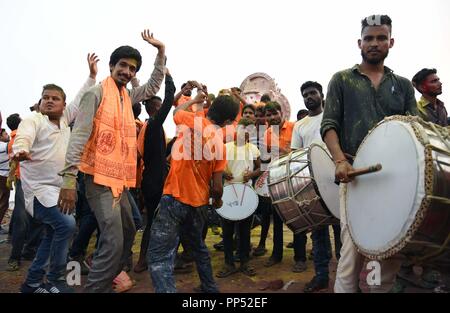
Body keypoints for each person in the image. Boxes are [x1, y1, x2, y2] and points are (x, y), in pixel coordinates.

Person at [58, 30, 166, 293]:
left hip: (119, 180)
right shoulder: (95, 94)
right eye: (123, 66)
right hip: (96, 178)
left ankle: (107, 271)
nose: (127, 72)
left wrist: (161, 52)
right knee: (114, 239)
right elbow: (79, 136)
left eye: (132, 68)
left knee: (130, 228)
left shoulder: (126, 96)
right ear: (111, 66)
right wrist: (69, 180)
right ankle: (96, 287)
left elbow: (152, 87)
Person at [320, 15, 418, 293]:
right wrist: (340, 160)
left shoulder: (403, 85)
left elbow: (415, 131)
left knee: (384, 257)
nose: (375, 43)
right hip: (354, 177)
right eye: (369, 38)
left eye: (381, 38)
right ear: (359, 43)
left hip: (394, 181)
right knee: (351, 256)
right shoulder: (341, 80)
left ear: (391, 42)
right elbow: (329, 125)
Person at [13, 53, 100, 293]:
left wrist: (92, 76)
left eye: (55, 99)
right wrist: (20, 149)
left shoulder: (64, 121)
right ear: (40, 103)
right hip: (40, 191)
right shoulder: (34, 120)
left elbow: (81, 97)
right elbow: (24, 137)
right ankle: (56, 279)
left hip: (60, 190)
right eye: (45, 98)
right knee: (66, 225)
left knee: (53, 234)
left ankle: (31, 283)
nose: (49, 101)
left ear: (63, 105)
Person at [148, 90, 240, 293]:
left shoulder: (190, 120)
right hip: (198, 205)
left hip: (174, 198)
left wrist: (195, 101)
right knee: (198, 247)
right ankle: (210, 288)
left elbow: (176, 111)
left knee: (160, 256)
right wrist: (216, 201)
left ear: (210, 109)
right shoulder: (220, 145)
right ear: (226, 120)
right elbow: (217, 187)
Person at [291, 81, 342, 292]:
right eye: (305, 95)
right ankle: (321, 277)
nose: (308, 97)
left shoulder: (333, 116)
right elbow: (294, 155)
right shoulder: (299, 125)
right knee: (318, 234)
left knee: (342, 232)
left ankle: (344, 277)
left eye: (312, 93)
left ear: (322, 95)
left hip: (338, 180)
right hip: (312, 186)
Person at [133, 69, 175, 273]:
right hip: (157, 181)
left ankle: (143, 260)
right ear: (156, 108)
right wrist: (168, 76)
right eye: (160, 107)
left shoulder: (149, 127)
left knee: (151, 221)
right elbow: (169, 99)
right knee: (161, 221)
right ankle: (149, 259)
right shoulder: (155, 123)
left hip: (149, 178)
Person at [263, 101, 306, 271]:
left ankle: (300, 257)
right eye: (269, 114)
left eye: (275, 113)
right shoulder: (265, 134)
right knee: (278, 220)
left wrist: (285, 153)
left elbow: (302, 152)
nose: (272, 117)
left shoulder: (295, 127)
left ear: (282, 113)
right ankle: (276, 255)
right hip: (275, 180)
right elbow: (266, 160)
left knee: (297, 219)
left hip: (295, 179)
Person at [216, 118, 261, 278]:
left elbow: (259, 168)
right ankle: (228, 263)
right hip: (227, 193)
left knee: (244, 231)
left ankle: (244, 262)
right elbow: (216, 167)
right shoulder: (225, 147)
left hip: (246, 194)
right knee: (227, 231)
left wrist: (251, 174)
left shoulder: (254, 149)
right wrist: (222, 173)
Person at [6, 113, 45, 271]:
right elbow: (19, 152)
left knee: (37, 218)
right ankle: (14, 257)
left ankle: (28, 251)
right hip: (26, 182)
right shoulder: (17, 139)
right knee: (22, 220)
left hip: (37, 182)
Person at [0, 128, 10, 234]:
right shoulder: (4, 146)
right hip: (4, 176)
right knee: (3, 202)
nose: (7, 135)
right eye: (5, 134)